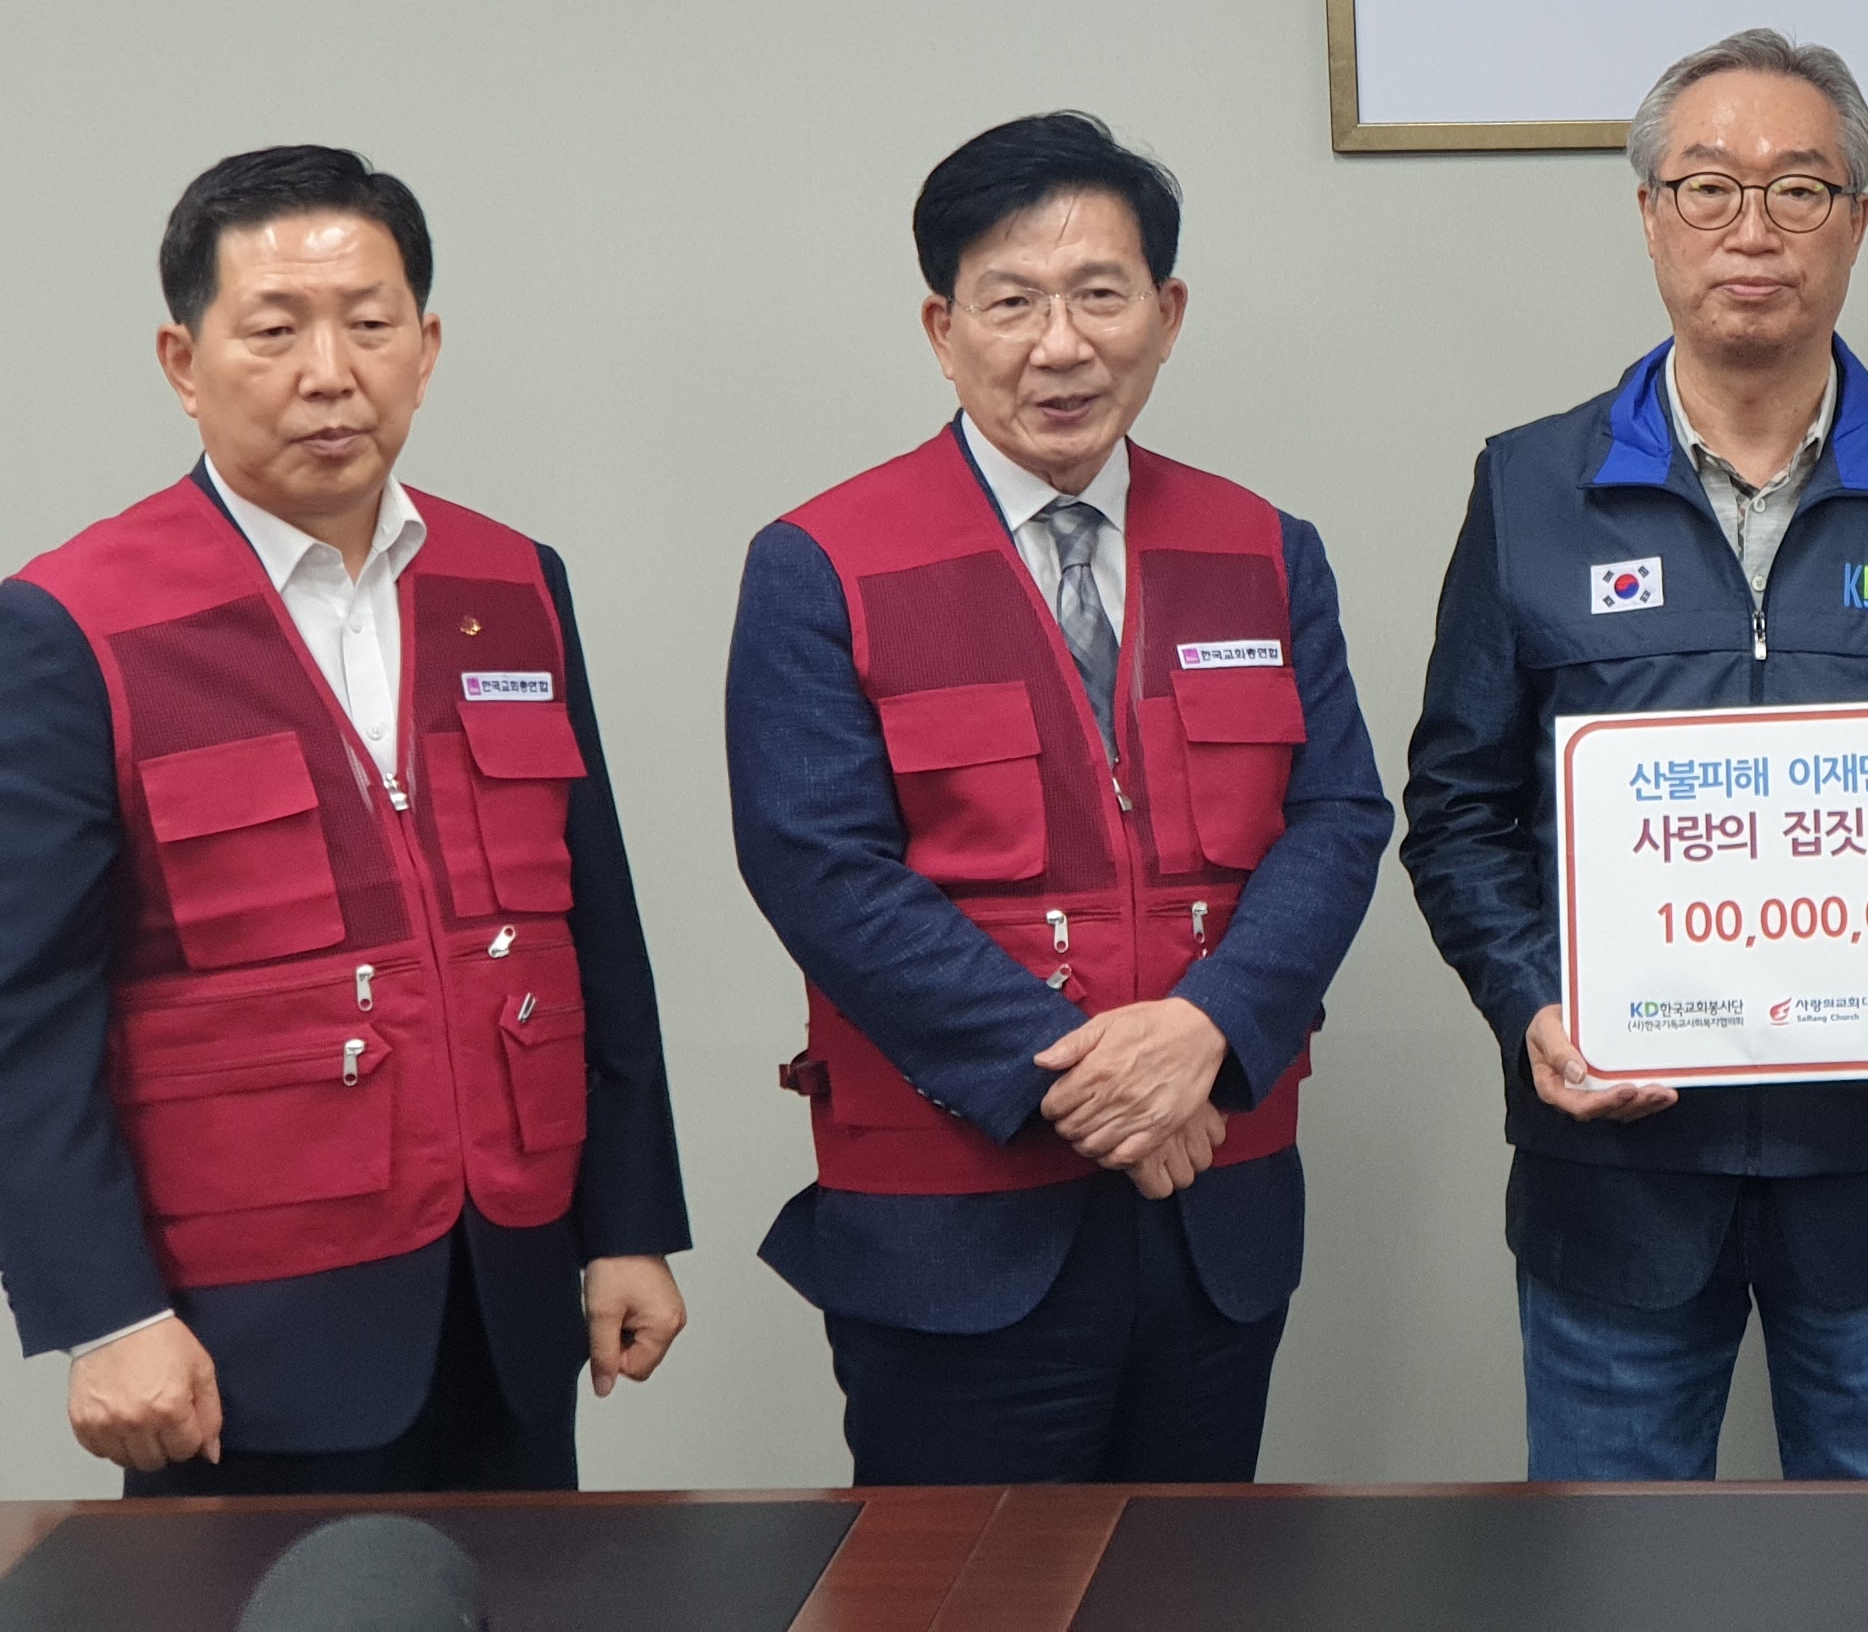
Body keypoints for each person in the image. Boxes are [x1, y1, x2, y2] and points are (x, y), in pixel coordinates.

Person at [1404, 26, 1868, 1483]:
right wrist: (1532, 1005)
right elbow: (1457, 810)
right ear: (1651, 217)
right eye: (1708, 187)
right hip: (1619, 1178)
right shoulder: (1531, 485)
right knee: (1616, 1579)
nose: (1753, 230)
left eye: (1799, 189)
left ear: (1858, 222)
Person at [0, 146, 690, 1494]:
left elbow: (594, 928)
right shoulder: (73, 623)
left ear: (425, 349)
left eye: (370, 325)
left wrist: (627, 1223)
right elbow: (24, 1012)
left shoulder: (513, 582)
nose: (331, 373)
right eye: (275, 331)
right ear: (183, 361)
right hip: (242, 1330)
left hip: (510, 1295)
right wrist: (103, 1315)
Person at [730, 111, 1389, 1484]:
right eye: (1012, 302)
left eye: (1100, 295)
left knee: (1197, 1577)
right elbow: (819, 867)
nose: (1061, 345)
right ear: (943, 329)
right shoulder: (823, 561)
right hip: (955, 1220)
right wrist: (1096, 1084)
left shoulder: (1265, 550)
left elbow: (1337, 819)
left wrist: (1207, 1032)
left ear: (1167, 313)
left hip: (1217, 1198)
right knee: (970, 1584)